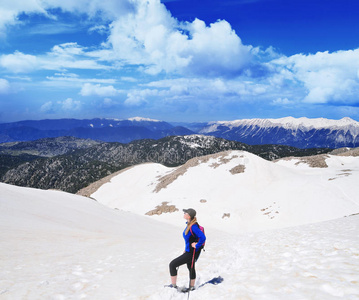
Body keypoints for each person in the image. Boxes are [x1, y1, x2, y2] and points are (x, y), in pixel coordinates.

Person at [169, 208, 206, 291]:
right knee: (191, 267)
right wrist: (186, 249)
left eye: (185, 213)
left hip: (192, 253)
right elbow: (190, 239)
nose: (184, 214)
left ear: (189, 216)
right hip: (189, 251)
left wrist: (197, 245)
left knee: (172, 264)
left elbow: (203, 237)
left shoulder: (193, 226)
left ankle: (173, 287)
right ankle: (191, 287)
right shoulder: (189, 224)